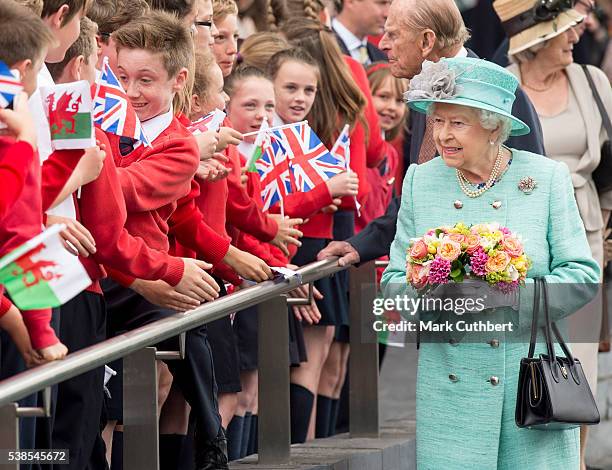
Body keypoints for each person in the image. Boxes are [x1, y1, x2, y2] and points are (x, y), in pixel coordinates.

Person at [382, 55, 600, 469]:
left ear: (493, 125)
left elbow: (583, 277)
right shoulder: (420, 181)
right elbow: (394, 282)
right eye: (437, 121)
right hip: (451, 393)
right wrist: (436, 293)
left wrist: (509, 296)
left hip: (530, 383)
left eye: (457, 123)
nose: (442, 135)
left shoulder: (546, 178)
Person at [318, 0, 545, 267]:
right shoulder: (424, 94)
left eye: (393, 34)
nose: (382, 44)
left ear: (426, 41)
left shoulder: (497, 91)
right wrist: (363, 243)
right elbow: (420, 192)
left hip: (493, 282)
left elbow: (531, 186)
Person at [497, 1, 612, 467]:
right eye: (565, 28)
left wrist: (605, 225)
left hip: (582, 240)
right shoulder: (500, 85)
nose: (577, 34)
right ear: (538, 38)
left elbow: (610, 165)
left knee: (576, 364)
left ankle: (576, 464)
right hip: (517, 244)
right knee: (522, 365)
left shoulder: (592, 81)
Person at [331, 0, 389, 65]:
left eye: (389, 4)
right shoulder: (320, 48)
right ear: (350, 1)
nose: (387, 14)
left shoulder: (382, 58)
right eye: (381, 3)